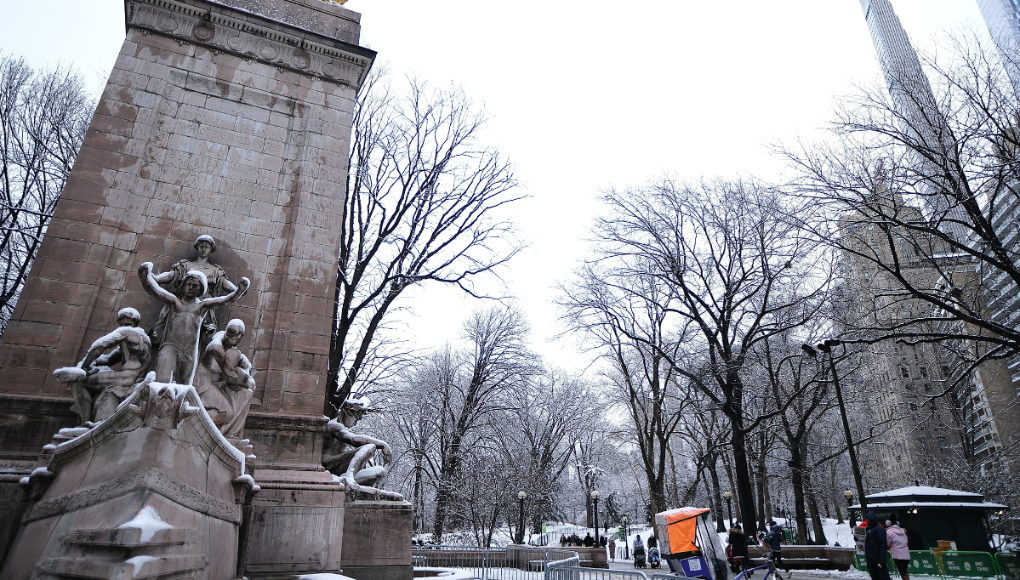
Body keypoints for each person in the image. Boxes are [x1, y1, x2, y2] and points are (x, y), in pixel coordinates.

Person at [138, 262, 249, 384]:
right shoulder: (175, 303)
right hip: (171, 346)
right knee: (162, 381)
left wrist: (239, 291)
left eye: (194, 285)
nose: (190, 287)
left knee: (184, 385)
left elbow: (225, 300)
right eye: (188, 284)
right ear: (183, 286)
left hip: (190, 351)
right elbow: (154, 291)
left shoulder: (201, 306)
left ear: (200, 289)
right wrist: (145, 277)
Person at [53, 307, 151, 423]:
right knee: (92, 376)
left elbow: (99, 346)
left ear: (134, 323)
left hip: (127, 377)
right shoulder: (142, 340)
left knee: (79, 383)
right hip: (131, 377)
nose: (124, 326)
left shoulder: (127, 333)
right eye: (122, 324)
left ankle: (85, 423)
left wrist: (84, 366)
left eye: (126, 323)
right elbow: (107, 359)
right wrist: (92, 363)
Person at [149, 235, 238, 350]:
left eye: (207, 247)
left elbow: (225, 284)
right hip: (182, 302)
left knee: (200, 335)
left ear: (211, 249)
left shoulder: (215, 270)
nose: (204, 249)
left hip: (203, 305)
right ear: (197, 247)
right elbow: (171, 275)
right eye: (201, 246)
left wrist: (238, 290)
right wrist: (155, 279)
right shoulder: (186, 265)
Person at [193, 319, 255, 438]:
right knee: (225, 412)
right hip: (204, 384)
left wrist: (244, 367)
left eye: (237, 336)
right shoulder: (216, 347)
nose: (234, 339)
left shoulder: (231, 349)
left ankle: (231, 433)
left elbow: (242, 368)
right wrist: (245, 378)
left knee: (246, 394)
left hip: (218, 384)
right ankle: (192, 423)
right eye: (231, 333)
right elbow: (230, 373)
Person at [865, 511, 892, 580]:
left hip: (877, 557)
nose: (866, 520)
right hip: (870, 557)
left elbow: (883, 544)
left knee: (883, 576)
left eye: (867, 519)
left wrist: (882, 559)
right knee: (874, 575)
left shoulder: (879, 529)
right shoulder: (868, 529)